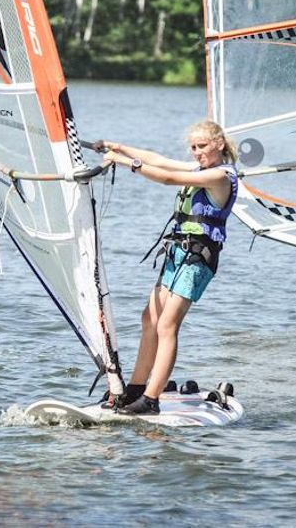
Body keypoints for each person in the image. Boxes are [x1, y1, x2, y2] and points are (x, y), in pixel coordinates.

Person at [97, 121, 239, 415]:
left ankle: (151, 400)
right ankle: (134, 390)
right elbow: (158, 160)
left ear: (219, 145)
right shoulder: (199, 169)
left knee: (166, 325)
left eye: (202, 146)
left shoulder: (220, 176)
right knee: (149, 319)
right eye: (193, 147)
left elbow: (167, 177)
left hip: (199, 259)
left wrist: (123, 162)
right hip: (177, 252)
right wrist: (118, 147)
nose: (196, 152)